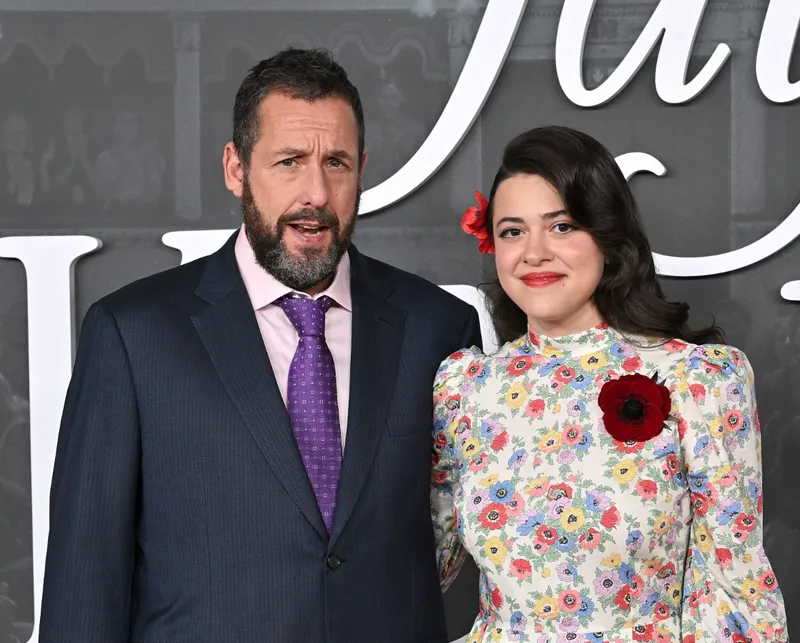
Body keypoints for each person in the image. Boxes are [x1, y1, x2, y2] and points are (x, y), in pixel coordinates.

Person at [39, 47, 482, 643]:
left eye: (337, 163)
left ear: (363, 170)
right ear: (235, 168)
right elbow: (83, 581)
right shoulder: (133, 334)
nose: (316, 194)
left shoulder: (439, 328)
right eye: (289, 162)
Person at [431, 126, 789, 643]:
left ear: (606, 235)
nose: (534, 252)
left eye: (561, 227)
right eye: (512, 231)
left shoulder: (700, 379)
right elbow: (418, 568)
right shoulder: (464, 388)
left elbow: (737, 590)